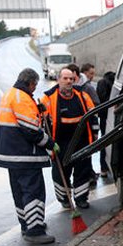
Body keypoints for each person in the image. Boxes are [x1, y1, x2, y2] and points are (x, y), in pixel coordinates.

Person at [0, 68, 58, 244]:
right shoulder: (22, 98)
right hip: (25, 155)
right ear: (30, 83)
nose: (35, 88)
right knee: (33, 191)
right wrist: (50, 143)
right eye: (34, 85)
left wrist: (38, 110)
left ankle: (26, 225)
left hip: (10, 155)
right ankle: (35, 230)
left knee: (20, 192)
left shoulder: (11, 94)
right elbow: (31, 129)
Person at [40, 67, 98, 209]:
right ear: (58, 79)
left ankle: (81, 199)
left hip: (81, 142)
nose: (68, 81)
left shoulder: (82, 96)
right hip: (60, 144)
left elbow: (93, 115)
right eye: (65, 78)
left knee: (83, 171)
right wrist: (49, 143)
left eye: (71, 79)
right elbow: (42, 122)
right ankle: (64, 199)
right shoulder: (48, 99)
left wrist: (95, 134)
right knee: (61, 174)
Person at [96, 71, 116, 177]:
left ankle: (104, 167)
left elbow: (100, 100)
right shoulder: (114, 83)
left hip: (104, 116)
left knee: (104, 140)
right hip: (114, 115)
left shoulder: (102, 82)